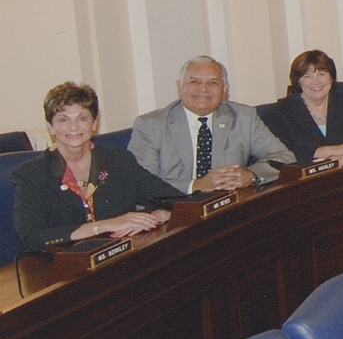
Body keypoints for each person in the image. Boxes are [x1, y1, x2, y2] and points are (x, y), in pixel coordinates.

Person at [13, 83, 183, 252]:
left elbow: (179, 201)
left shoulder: (119, 161)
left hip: (118, 255)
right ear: (50, 127)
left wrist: (155, 218)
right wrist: (105, 225)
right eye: (63, 120)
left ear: (94, 123)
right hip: (61, 261)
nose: (74, 127)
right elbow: (32, 237)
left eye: (82, 118)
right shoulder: (31, 174)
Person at [129, 56, 292, 193]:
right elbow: (141, 183)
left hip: (228, 205)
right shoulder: (151, 125)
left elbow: (284, 156)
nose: (203, 89)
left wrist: (251, 176)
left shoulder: (243, 117)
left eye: (213, 83)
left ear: (225, 89)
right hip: (174, 207)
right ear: (180, 87)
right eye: (194, 82)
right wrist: (197, 185)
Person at [260, 50, 343, 166]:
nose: (316, 81)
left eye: (322, 74)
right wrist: (333, 150)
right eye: (307, 76)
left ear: (331, 77)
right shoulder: (279, 113)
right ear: (298, 81)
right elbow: (281, 155)